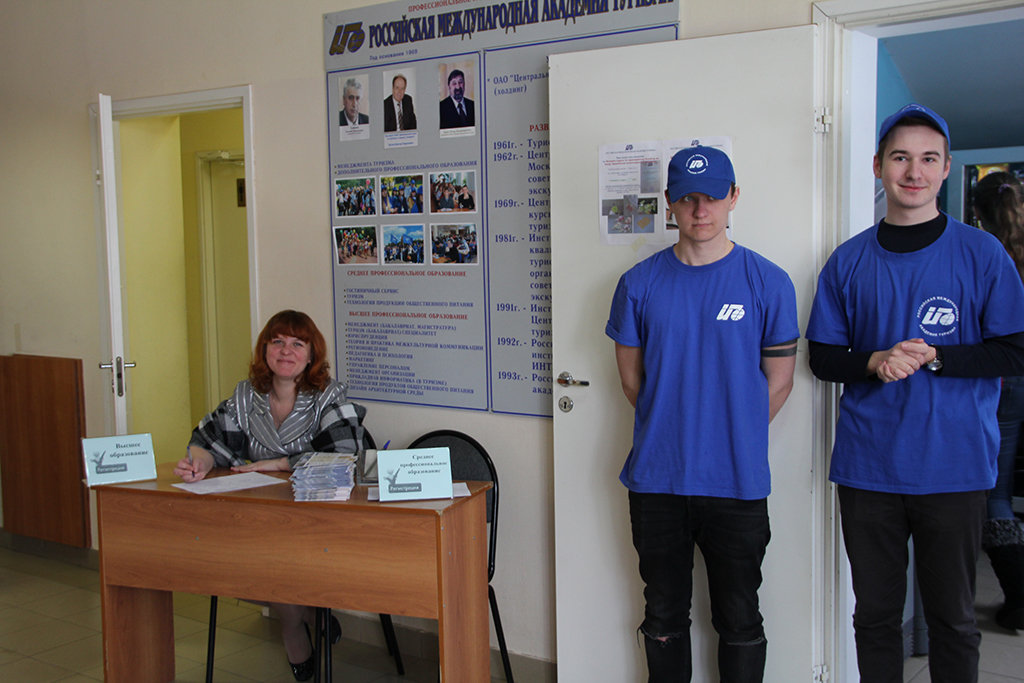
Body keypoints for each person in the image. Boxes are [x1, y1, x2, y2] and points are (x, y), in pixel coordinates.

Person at [806, 104, 1024, 682]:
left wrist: (939, 356)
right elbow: (822, 357)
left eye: (929, 159)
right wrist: (874, 361)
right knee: (875, 617)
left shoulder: (982, 254)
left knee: (953, 620)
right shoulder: (848, 261)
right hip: (868, 469)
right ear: (878, 165)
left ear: (947, 168)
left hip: (954, 467)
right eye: (901, 158)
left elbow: (1016, 350)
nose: (914, 171)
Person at [607, 146, 799, 683]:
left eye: (712, 196)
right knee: (663, 614)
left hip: (737, 482)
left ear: (733, 197)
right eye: (688, 198)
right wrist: (677, 427)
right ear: (669, 201)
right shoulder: (638, 284)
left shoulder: (768, 282)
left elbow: (780, 382)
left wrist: (728, 431)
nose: (700, 209)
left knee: (739, 616)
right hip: (657, 481)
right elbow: (632, 381)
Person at [174, 310, 367, 681]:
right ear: (264, 350)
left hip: (317, 519)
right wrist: (198, 463)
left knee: (278, 563)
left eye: (297, 344)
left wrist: (278, 463)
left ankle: (292, 629)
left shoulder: (328, 397)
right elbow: (206, 441)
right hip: (262, 516)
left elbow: (345, 455)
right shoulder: (246, 397)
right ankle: (306, 615)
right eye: (277, 342)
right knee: (245, 560)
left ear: (311, 355)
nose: (286, 351)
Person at [974, 170, 1024, 631]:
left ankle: (1019, 595)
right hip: (1019, 382)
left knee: (995, 492)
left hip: (1000, 381)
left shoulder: (982, 255)